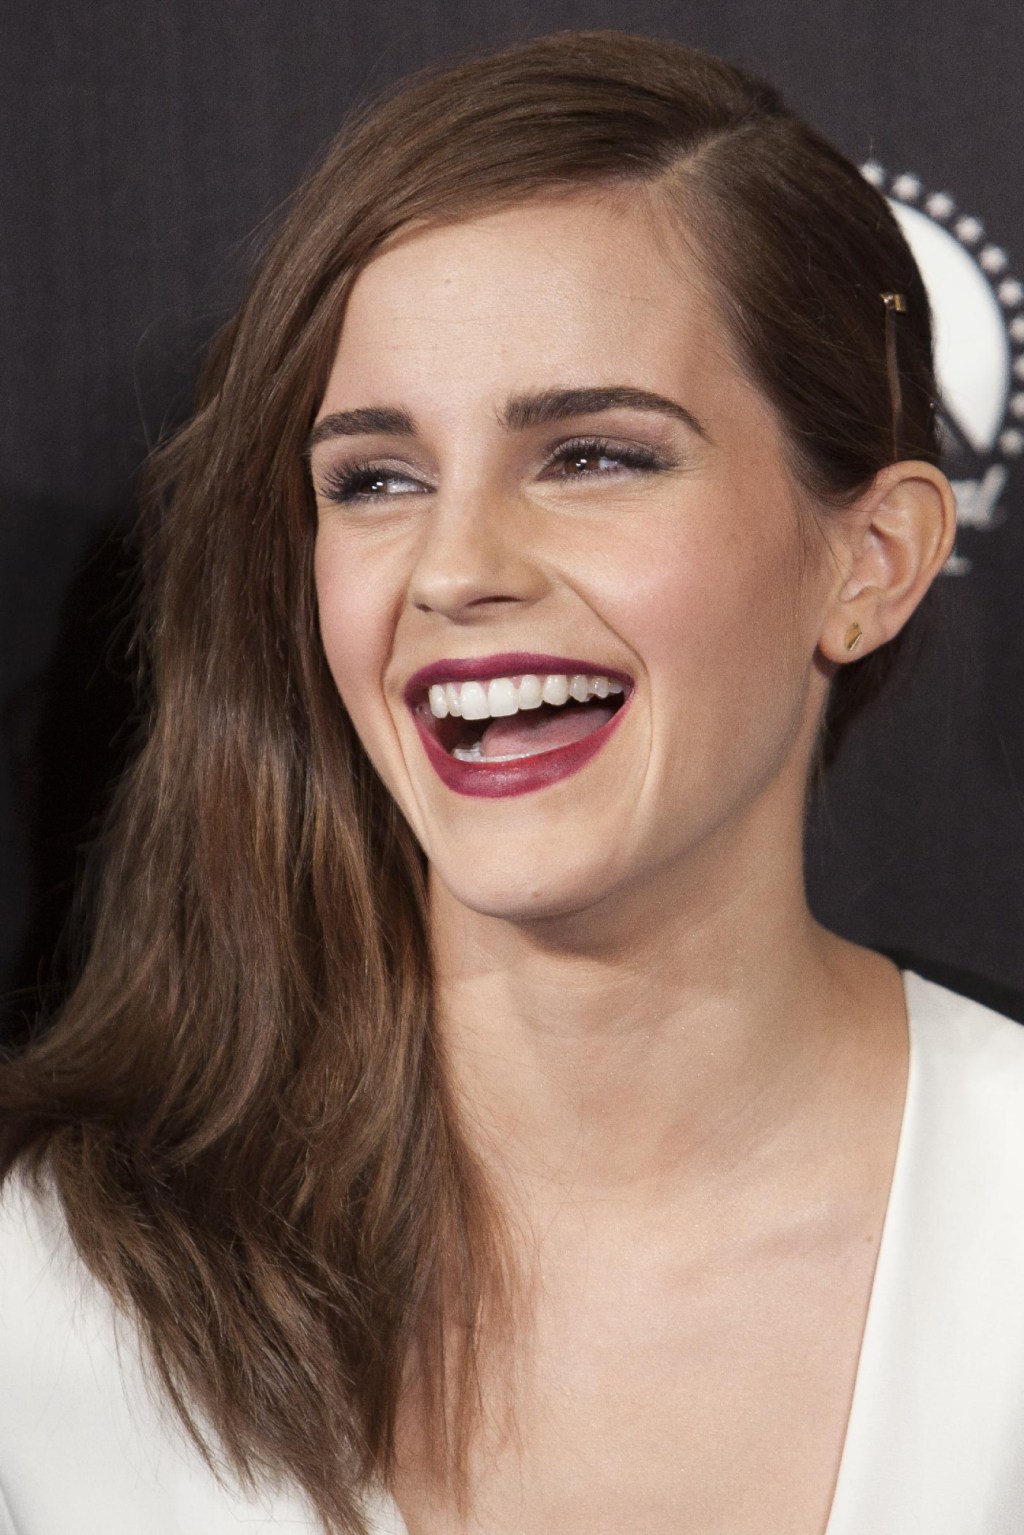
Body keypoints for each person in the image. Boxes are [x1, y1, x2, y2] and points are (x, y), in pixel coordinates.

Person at [1, 26, 1023, 1535]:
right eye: (376, 480)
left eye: (595, 456)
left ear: (870, 560)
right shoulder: (51, 1288)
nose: (456, 567)